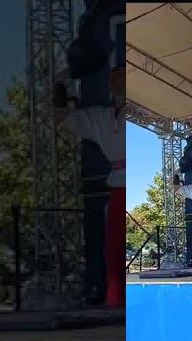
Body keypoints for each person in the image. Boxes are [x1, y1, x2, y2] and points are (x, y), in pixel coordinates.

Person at [54, 65, 125, 307]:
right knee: (113, 252)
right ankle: (114, 304)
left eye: (123, 74)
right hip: (118, 185)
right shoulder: (101, 116)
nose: (118, 80)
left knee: (119, 249)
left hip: (133, 179)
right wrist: (60, 86)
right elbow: (61, 118)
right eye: (114, 77)